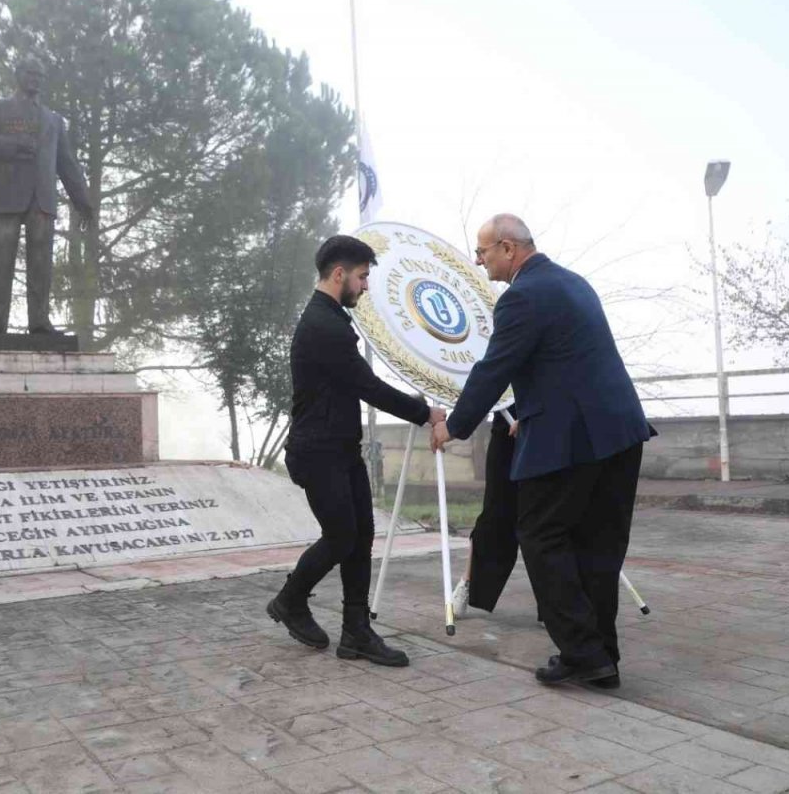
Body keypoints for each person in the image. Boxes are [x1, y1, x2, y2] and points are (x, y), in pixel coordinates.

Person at [431, 214, 651, 688]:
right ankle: (601, 656)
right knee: (598, 545)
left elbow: (494, 369)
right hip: (620, 432)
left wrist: (454, 426)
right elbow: (567, 364)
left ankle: (581, 650)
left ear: (509, 249)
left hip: (572, 439)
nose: (479, 259)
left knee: (539, 534)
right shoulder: (574, 283)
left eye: (483, 250)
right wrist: (527, 412)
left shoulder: (522, 297)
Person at [268, 235, 446, 666]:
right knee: (343, 535)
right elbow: (368, 387)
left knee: (360, 535)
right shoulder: (322, 325)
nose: (365, 286)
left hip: (340, 449)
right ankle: (290, 600)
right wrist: (427, 413)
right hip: (316, 452)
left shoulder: (330, 319)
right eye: (363, 277)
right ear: (338, 274)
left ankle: (356, 633)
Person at [0, 54, 95, 335]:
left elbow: (66, 162)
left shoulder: (53, 120)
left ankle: (39, 321)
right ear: (18, 75)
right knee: (1, 262)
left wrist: (82, 200)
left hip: (42, 199)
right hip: (7, 197)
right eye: (30, 73)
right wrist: (13, 145)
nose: (35, 79)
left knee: (41, 266)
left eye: (40, 75)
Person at [451, 412, 526, 618]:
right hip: (506, 427)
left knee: (543, 520)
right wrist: (452, 427)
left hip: (547, 427)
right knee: (495, 513)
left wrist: (534, 416)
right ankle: (469, 580)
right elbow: (484, 383)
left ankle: (554, 603)